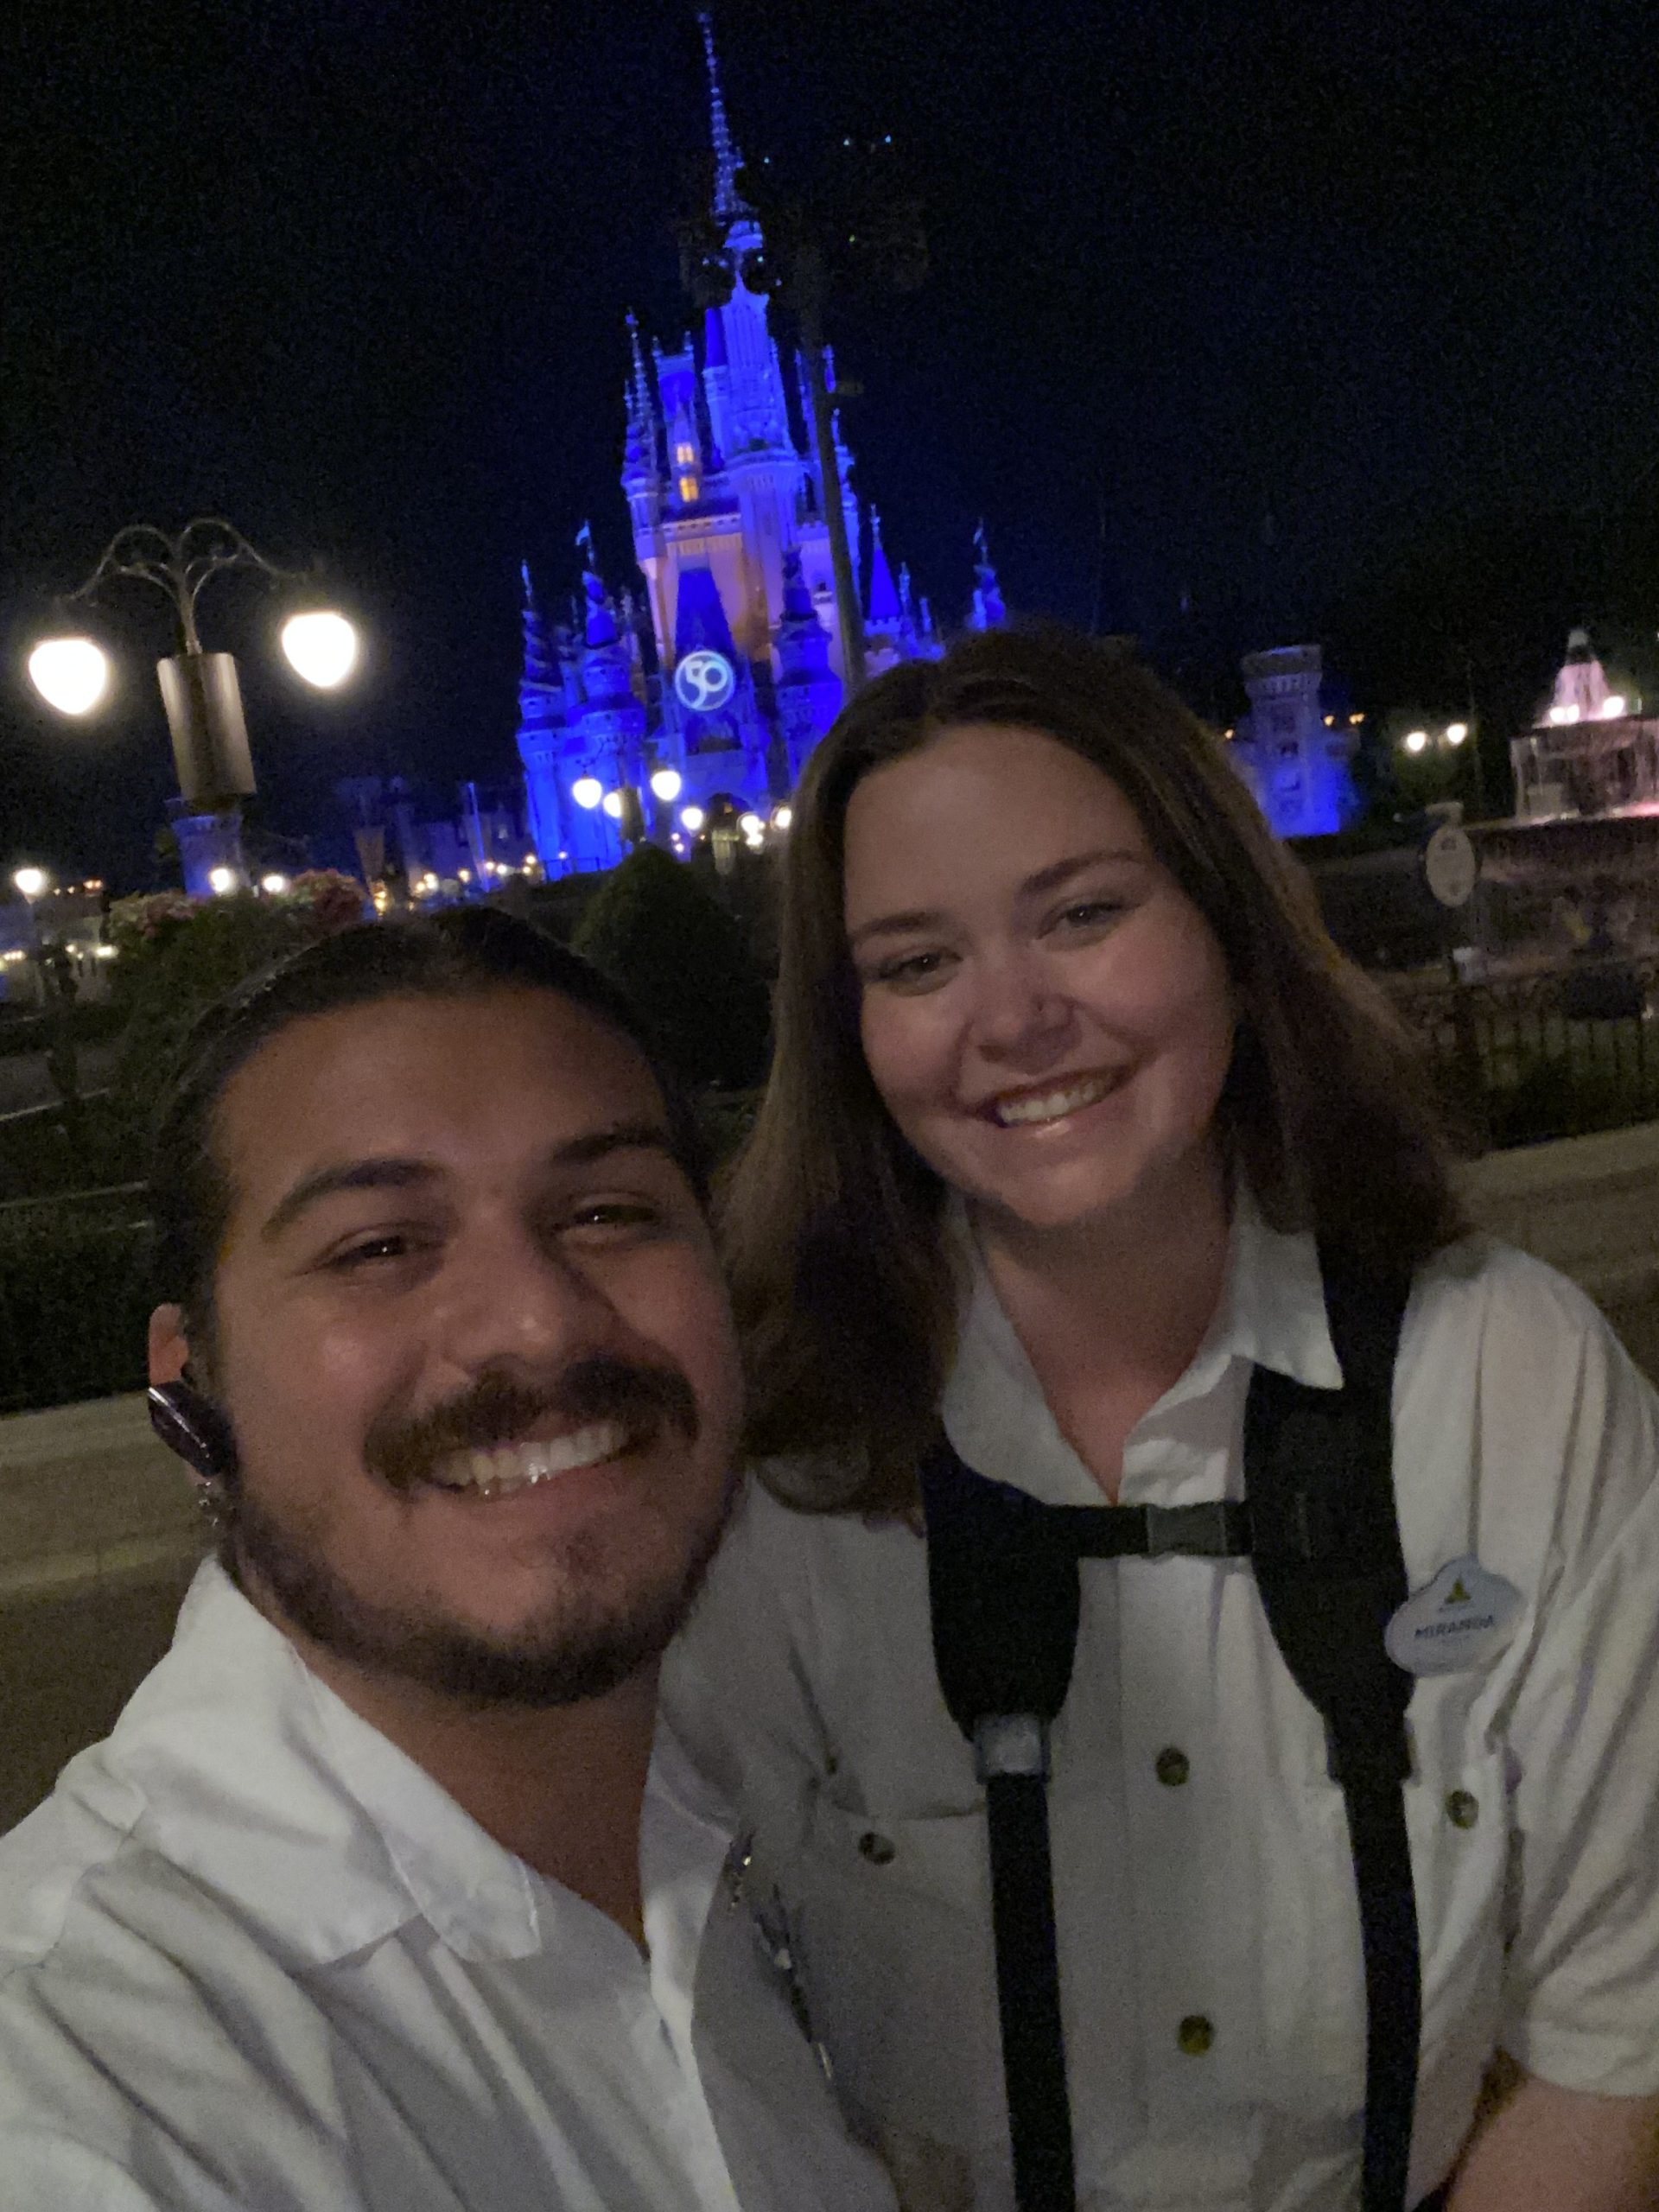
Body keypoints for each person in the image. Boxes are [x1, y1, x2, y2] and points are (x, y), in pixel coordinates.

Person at [662, 626, 1659, 2212]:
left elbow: (1620, 2034)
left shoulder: (1502, 1380)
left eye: (1083, 914)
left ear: (1230, 930)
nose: (1012, 1018)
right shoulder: (772, 1477)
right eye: (918, 963)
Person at [0, 909, 896, 2212]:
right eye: (378, 1248)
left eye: (606, 1212)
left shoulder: (732, 1842)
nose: (535, 1319)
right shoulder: (91, 2067)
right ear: (189, 1387)